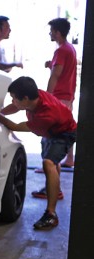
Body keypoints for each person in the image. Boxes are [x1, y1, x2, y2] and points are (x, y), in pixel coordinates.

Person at [0, 76, 76, 230]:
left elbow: (15, 126)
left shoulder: (46, 115)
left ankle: (51, 215)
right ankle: (54, 190)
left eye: (14, 98)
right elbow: (15, 107)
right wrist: (0, 111)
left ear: (25, 99)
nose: (12, 101)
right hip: (52, 130)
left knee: (49, 163)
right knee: (52, 160)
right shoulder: (34, 96)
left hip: (64, 133)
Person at [46, 17, 78, 168]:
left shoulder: (61, 51)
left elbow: (55, 75)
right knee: (66, 128)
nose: (50, 34)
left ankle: (51, 163)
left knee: (52, 130)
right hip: (68, 95)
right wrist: (50, 65)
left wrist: (47, 96)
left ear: (57, 33)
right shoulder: (70, 48)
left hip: (59, 96)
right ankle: (69, 158)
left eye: (51, 31)